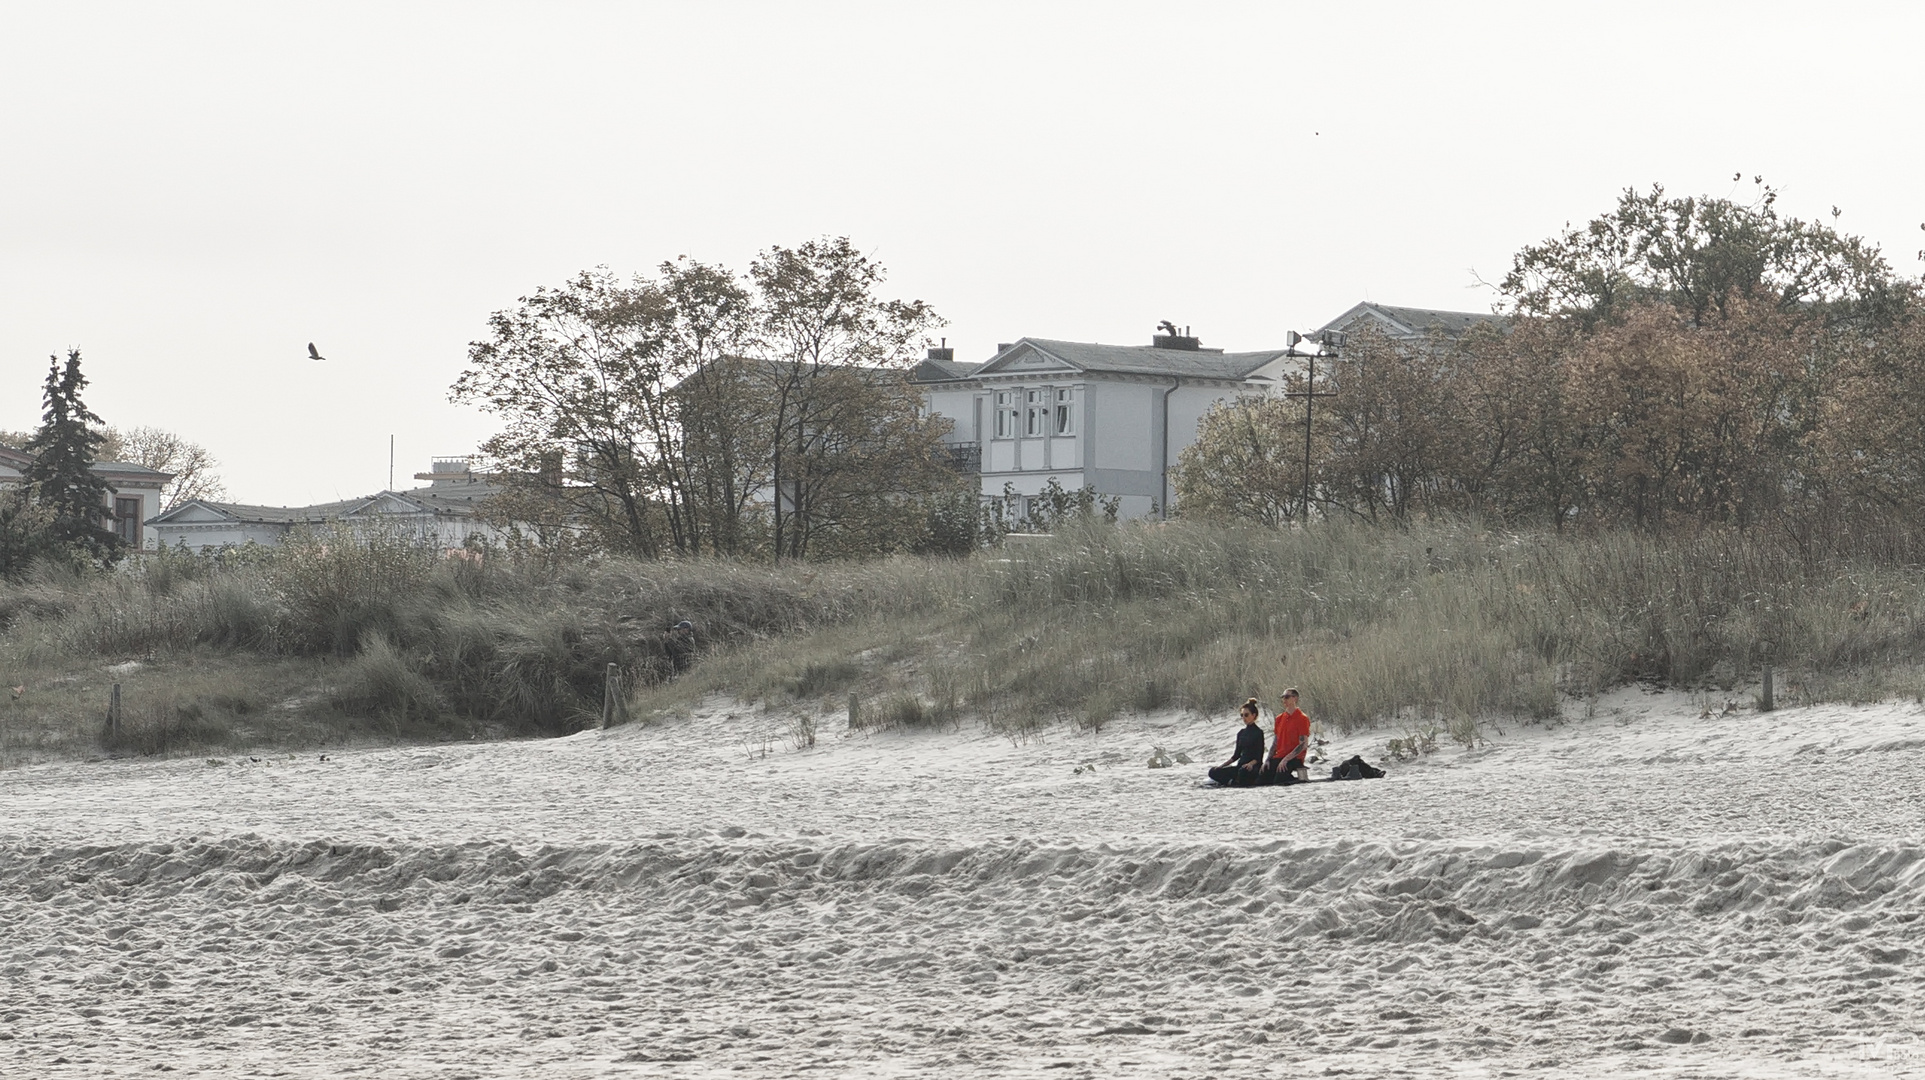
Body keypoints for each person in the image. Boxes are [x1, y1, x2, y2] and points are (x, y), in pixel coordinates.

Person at [1208, 699, 1268, 787]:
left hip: (1253, 767)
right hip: (1240, 766)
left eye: (1246, 715)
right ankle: (1231, 782)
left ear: (1254, 715)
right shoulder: (1241, 733)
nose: (1244, 718)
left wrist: (1250, 764)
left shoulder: (1258, 732)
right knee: (1213, 771)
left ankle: (1237, 782)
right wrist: (1221, 766)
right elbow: (1236, 756)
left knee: (1243, 771)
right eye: (1242, 715)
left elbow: (1259, 756)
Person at [1267, 687, 1311, 784]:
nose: (1284, 700)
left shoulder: (1302, 718)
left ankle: (1297, 780)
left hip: (1294, 758)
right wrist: (1267, 760)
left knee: (1278, 781)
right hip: (1279, 756)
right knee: (1262, 779)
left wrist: (1286, 759)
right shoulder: (1279, 718)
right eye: (1283, 697)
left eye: (1287, 697)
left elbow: (1303, 745)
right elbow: (1275, 742)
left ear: (1295, 698)